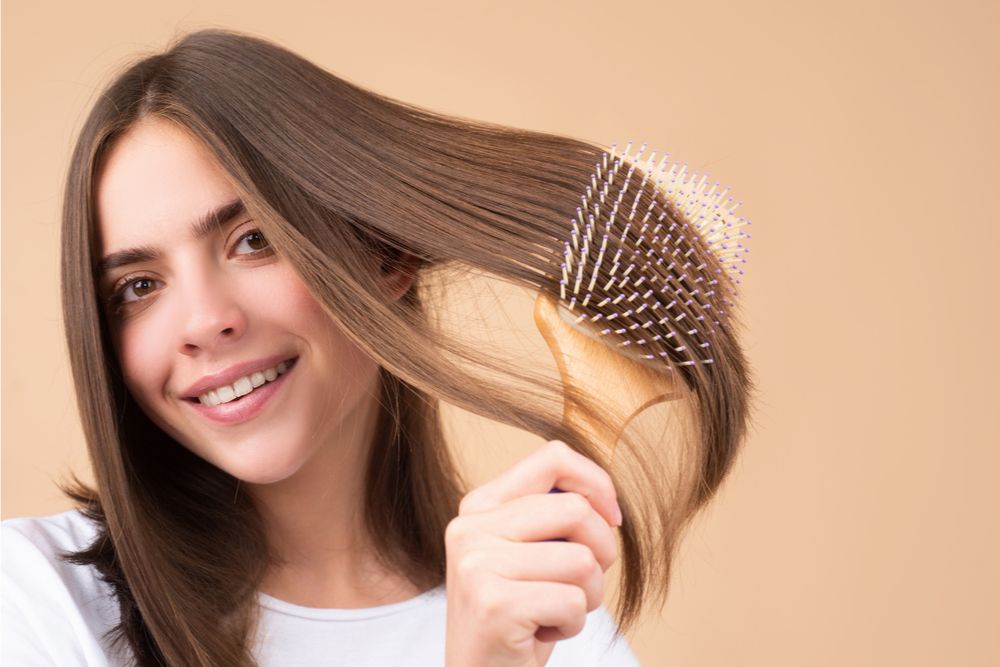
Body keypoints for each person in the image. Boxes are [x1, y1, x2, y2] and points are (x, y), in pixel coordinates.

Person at [3, 27, 753, 667]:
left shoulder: (565, 637)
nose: (203, 322)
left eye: (252, 239)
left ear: (381, 255)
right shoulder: (34, 602)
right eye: (137, 287)